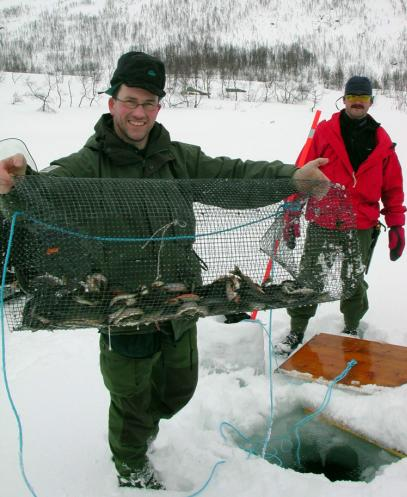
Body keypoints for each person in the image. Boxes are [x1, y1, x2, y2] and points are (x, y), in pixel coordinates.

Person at [0, 51, 330, 489]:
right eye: (130, 101)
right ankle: (131, 466)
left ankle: (142, 432)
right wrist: (13, 187)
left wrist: (290, 178)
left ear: (159, 106)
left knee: (179, 388)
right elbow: (42, 195)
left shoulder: (176, 158)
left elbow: (233, 177)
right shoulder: (86, 167)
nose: (139, 113)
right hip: (125, 310)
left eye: (149, 103)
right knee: (131, 399)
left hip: (179, 304)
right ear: (112, 101)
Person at [277, 76, 405, 355]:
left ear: (371, 101)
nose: (357, 102)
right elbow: (303, 174)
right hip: (324, 217)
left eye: (364, 98)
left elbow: (393, 187)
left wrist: (396, 225)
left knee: (353, 278)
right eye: (352, 97)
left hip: (361, 223)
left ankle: (351, 327)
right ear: (343, 100)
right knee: (310, 277)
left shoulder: (383, 142)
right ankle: (296, 330)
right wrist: (291, 211)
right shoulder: (325, 133)